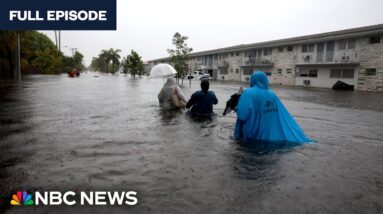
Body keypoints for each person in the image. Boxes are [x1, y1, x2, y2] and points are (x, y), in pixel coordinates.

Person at [234, 71, 313, 144]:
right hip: (270, 136)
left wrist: (235, 107)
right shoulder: (272, 94)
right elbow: (280, 114)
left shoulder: (248, 92)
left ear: (253, 80)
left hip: (252, 137)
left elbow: (243, 115)